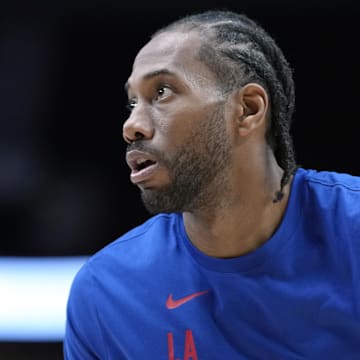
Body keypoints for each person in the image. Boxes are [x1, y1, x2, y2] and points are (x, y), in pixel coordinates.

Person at [63, 9, 360, 359]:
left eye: (161, 91)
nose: (132, 126)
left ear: (247, 109)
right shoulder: (105, 293)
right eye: (132, 102)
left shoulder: (351, 229)